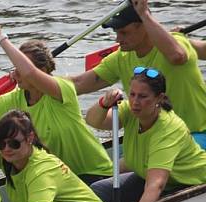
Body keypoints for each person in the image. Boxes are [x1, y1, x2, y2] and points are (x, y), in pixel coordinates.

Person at [0, 16, 113, 184]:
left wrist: (0, 38)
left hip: (94, 175)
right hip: (57, 182)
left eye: (20, 67)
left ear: (42, 70)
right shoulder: (12, 101)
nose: (16, 72)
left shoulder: (61, 89)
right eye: (15, 67)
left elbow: (30, 74)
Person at [85, 68, 206, 202]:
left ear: (159, 98)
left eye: (143, 97)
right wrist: (104, 103)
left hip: (188, 182)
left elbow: (156, 185)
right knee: (98, 190)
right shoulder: (129, 111)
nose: (135, 102)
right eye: (132, 94)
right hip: (149, 176)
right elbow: (94, 121)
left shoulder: (169, 129)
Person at [70, 0, 206, 146]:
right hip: (157, 138)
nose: (117, 39)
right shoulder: (120, 57)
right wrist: (43, 79)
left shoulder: (177, 44)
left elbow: (177, 57)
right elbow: (79, 84)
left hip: (196, 133)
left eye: (124, 33)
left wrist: (144, 13)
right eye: (116, 33)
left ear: (144, 27)